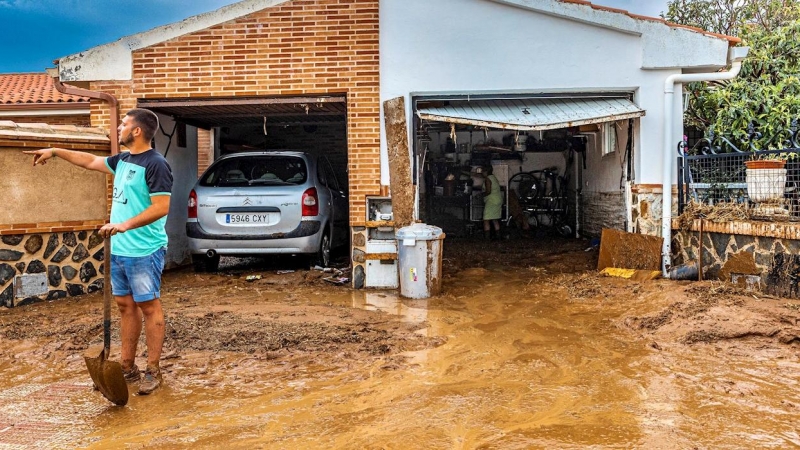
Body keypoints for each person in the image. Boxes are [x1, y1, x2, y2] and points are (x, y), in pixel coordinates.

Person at [24, 108, 172, 395]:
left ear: (137, 131)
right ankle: (127, 367)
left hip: (144, 249)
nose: (118, 128)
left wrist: (124, 224)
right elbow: (91, 160)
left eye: (124, 124)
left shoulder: (156, 164)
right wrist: (54, 151)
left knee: (149, 306)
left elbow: (161, 207)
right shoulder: (124, 160)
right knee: (125, 306)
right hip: (118, 248)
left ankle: (154, 369)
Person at [481, 165, 503, 240]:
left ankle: (487, 238)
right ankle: (498, 237)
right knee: (495, 219)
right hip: (498, 200)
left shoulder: (488, 179)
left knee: (486, 219)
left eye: (483, 171)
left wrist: (480, 195)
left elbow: (488, 191)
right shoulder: (493, 177)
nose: (482, 173)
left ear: (486, 171)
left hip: (492, 201)